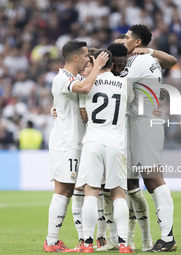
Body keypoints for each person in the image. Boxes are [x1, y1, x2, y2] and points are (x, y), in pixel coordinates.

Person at [43, 40, 108, 252]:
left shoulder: (73, 78)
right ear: (75, 57)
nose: (89, 59)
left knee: (75, 190)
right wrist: (98, 66)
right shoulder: (62, 78)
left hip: (77, 141)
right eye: (86, 56)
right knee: (63, 190)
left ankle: (83, 238)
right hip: (66, 143)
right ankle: (51, 241)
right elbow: (85, 87)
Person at [120, 24, 178, 252]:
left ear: (136, 42)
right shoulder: (145, 60)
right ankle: (132, 238)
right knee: (136, 180)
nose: (123, 40)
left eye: (126, 37)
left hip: (144, 123)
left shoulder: (139, 61)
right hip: (139, 122)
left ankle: (168, 237)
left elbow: (120, 87)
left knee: (153, 179)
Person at [75, 49, 135, 253]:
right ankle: (124, 244)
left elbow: (84, 116)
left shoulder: (88, 84)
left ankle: (87, 244)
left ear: (97, 62)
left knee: (91, 192)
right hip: (116, 142)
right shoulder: (125, 83)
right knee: (118, 194)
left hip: (93, 140)